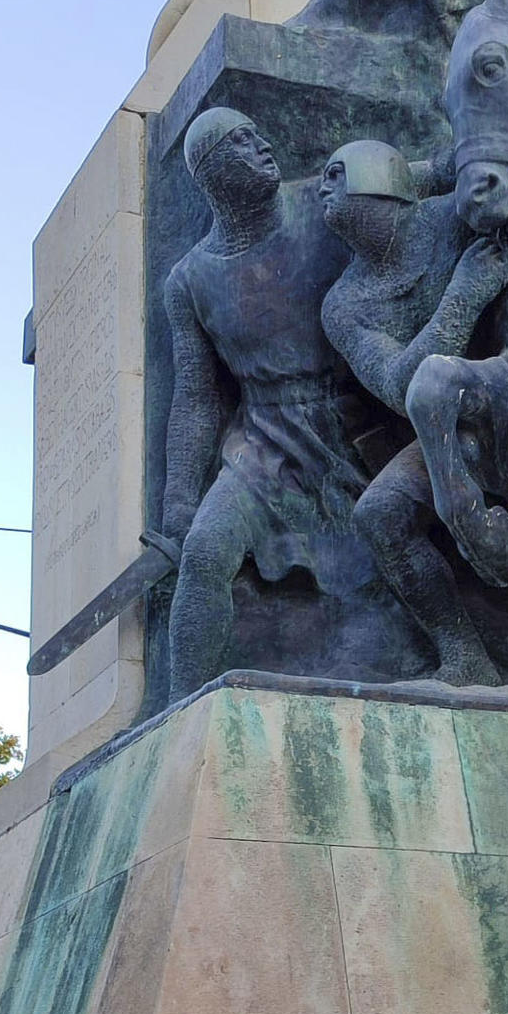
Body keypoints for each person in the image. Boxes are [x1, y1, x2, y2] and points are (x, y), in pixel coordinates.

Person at [162, 108, 367, 701]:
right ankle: (180, 712)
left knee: (394, 540)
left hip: (353, 420)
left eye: (259, 132)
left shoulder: (322, 203)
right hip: (265, 441)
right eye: (241, 142)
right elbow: (197, 397)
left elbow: (401, 189)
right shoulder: (190, 280)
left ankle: (463, 650)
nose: (263, 145)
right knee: (203, 553)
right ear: (211, 174)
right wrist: (179, 499)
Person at [318, 138, 508, 684]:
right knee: (378, 515)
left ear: (379, 174)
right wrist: (463, 296)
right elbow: (398, 383)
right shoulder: (346, 303)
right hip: (452, 422)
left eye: (336, 173)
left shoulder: (454, 214)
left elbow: (481, 155)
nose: (321, 188)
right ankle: (467, 659)